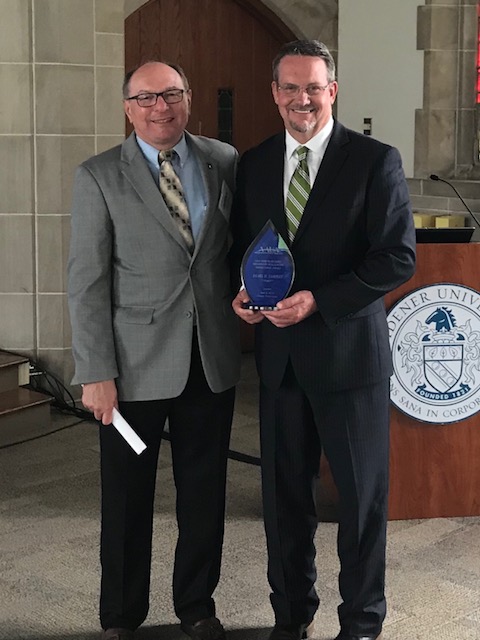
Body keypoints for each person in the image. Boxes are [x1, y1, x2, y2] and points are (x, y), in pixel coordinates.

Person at [231, 40, 416, 640]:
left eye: (313, 86)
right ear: (274, 94)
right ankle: (291, 616)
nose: (301, 98)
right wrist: (242, 295)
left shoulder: (374, 160)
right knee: (285, 506)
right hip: (280, 365)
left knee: (361, 506)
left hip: (349, 360)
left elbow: (397, 258)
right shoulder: (254, 164)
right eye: (289, 87)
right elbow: (243, 249)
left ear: (332, 91)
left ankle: (361, 622)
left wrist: (320, 300)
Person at [67, 60, 240, 640]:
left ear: (189, 99)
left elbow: (233, 253)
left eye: (171, 95)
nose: (160, 108)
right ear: (127, 106)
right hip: (130, 368)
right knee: (125, 499)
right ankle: (120, 616)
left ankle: (196, 606)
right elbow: (87, 282)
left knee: (203, 493)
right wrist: (95, 372)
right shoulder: (98, 176)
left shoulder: (223, 160)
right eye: (146, 98)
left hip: (209, 360)